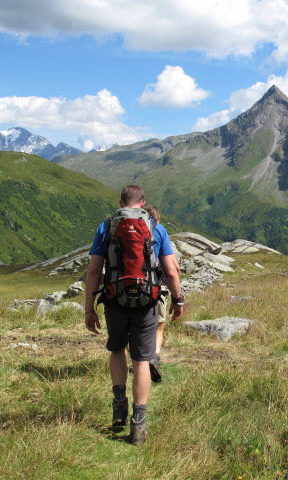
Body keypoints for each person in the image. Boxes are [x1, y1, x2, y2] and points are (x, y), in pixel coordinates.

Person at [84, 185, 184, 445]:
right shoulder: (156, 228)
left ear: (120, 203)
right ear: (143, 203)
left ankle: (119, 407)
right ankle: (138, 425)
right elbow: (171, 271)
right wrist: (178, 299)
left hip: (115, 300)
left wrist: (89, 308)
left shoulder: (106, 227)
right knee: (141, 360)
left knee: (117, 350)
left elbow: (94, 271)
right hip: (146, 302)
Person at [145, 204, 182, 383]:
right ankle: (154, 356)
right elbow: (174, 268)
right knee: (159, 325)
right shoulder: (159, 231)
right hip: (156, 287)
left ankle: (136, 359)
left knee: (133, 327)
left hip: (126, 288)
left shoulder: (122, 229)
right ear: (157, 219)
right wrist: (178, 297)